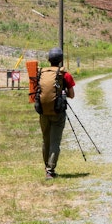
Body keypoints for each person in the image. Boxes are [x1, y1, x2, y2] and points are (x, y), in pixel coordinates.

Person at [37, 47, 76, 179]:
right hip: (58, 113)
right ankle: (50, 170)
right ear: (60, 60)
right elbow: (72, 95)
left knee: (45, 140)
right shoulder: (65, 75)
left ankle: (46, 166)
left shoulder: (41, 73)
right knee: (55, 141)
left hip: (43, 112)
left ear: (49, 60)